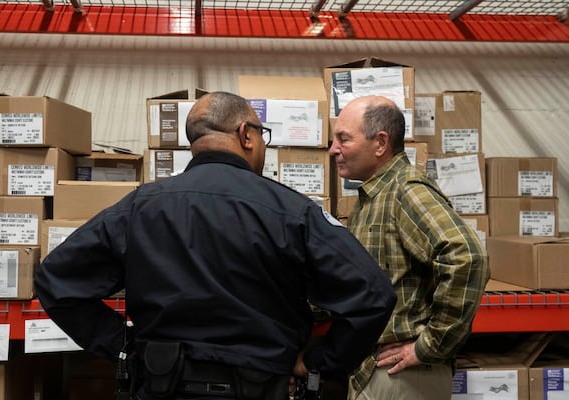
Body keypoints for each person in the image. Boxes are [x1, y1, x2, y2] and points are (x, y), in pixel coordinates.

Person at [34, 91, 396, 400]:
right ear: (246, 135)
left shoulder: (140, 206)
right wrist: (320, 362)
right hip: (261, 384)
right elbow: (373, 295)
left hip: (161, 381)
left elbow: (56, 280)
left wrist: (125, 346)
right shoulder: (292, 211)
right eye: (262, 135)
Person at [328, 95, 489, 400]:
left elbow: (467, 255)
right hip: (377, 372)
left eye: (343, 139)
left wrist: (431, 344)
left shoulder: (406, 191)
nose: (333, 149)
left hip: (403, 378)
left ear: (380, 143)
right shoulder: (371, 198)